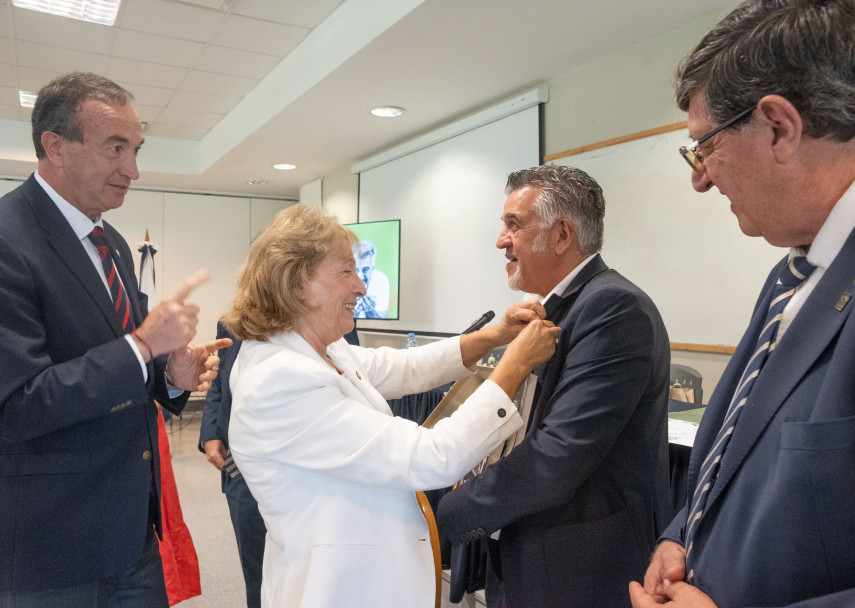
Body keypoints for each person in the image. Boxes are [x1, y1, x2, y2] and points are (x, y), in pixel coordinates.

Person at [629, 2, 855, 607]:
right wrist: (683, 535)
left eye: (703, 146)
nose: (700, 178)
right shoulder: (796, 268)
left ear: (779, 127)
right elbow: (744, 451)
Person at [222, 203, 561, 607]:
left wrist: (496, 336)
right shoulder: (281, 379)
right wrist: (515, 365)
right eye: (346, 272)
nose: (361, 287)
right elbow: (432, 456)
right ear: (297, 283)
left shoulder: (321, 351)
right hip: (339, 591)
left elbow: (404, 367)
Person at [0, 72, 230, 606]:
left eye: (136, 149)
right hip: (49, 546)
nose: (133, 169)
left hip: (131, 532)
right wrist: (143, 347)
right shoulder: (8, 239)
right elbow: (17, 405)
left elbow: (126, 366)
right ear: (55, 146)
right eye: (115, 148)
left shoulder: (113, 243)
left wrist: (171, 376)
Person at [436, 165, 673, 608]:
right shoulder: (554, 308)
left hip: (577, 568)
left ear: (562, 235)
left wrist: (444, 514)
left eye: (514, 225)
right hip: (528, 551)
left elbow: (556, 455)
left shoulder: (613, 307)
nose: (501, 241)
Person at [199, 321, 266, 608]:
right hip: (240, 471)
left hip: (302, 472)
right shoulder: (232, 323)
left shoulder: (326, 310)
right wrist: (210, 433)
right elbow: (219, 383)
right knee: (257, 573)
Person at [352, 239, 390, 318]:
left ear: (372, 268)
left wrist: (369, 311)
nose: (360, 276)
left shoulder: (381, 280)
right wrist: (353, 313)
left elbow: (382, 321)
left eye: (365, 270)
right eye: (356, 270)